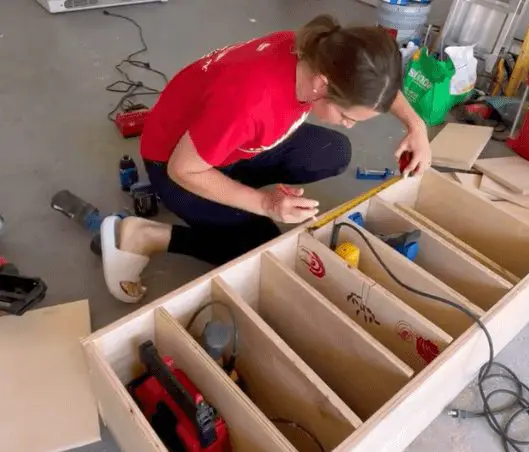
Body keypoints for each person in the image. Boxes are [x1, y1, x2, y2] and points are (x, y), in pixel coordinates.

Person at [101, 14, 432, 303]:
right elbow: (182, 168)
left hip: (224, 143)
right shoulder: (252, 104)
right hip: (176, 166)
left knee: (332, 152)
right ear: (323, 84)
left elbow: (373, 83)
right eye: (349, 116)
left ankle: (230, 198)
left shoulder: (320, 51)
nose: (349, 124)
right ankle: (148, 235)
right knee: (267, 253)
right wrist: (264, 204)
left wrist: (415, 125)